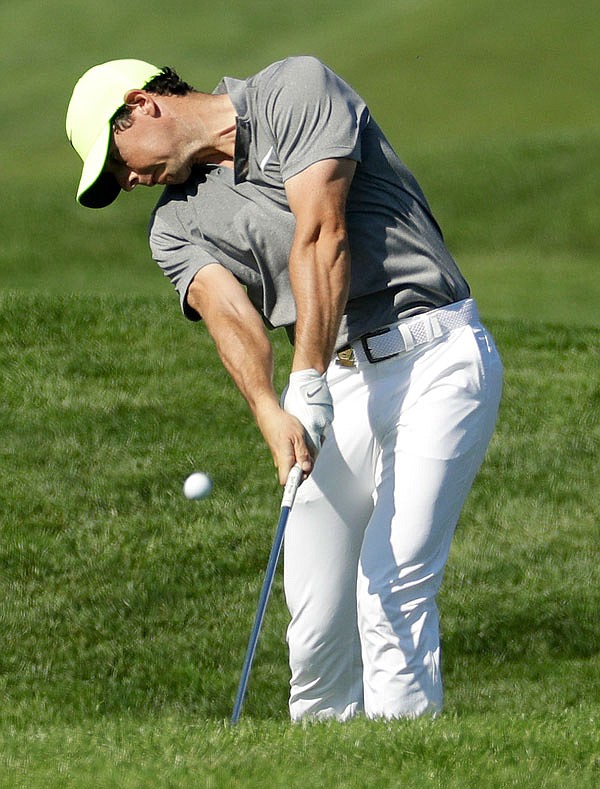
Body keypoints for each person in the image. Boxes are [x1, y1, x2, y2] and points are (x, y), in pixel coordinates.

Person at [66, 56, 503, 721]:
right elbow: (229, 317)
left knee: (390, 585)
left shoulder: (294, 89)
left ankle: (399, 759)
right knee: (317, 619)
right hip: (337, 386)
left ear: (142, 104)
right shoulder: (173, 226)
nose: (125, 182)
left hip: (434, 359)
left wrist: (305, 378)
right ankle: (319, 763)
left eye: (114, 162)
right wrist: (272, 411)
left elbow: (321, 234)